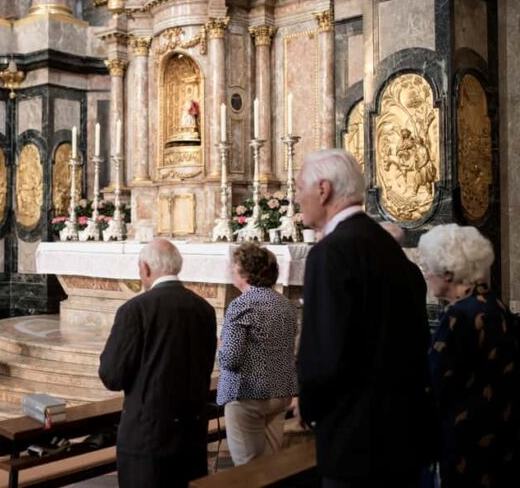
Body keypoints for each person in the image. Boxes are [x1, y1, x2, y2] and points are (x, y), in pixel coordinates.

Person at [295, 149, 434, 487]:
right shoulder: (389, 249)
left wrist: (307, 404)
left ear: (323, 190)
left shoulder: (330, 254)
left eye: (300, 189)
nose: (298, 199)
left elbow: (324, 350)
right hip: (402, 431)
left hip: (354, 439)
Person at [99, 238, 217, 488]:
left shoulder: (135, 310)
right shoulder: (204, 308)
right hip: (192, 434)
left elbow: (112, 375)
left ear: (145, 269)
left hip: (148, 438)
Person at [418, 224, 519, 487]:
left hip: (461, 444)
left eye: (428, 267)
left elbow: (434, 384)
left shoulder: (458, 316)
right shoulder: (494, 305)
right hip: (497, 437)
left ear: (448, 272)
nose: (426, 274)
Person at [217, 243, 297, 465]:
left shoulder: (242, 305)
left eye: (235, 267)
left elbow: (230, 359)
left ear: (245, 273)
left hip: (248, 395)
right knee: (270, 467)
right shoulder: (285, 304)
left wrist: (220, 346)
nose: (232, 272)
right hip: (280, 392)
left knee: (249, 469)